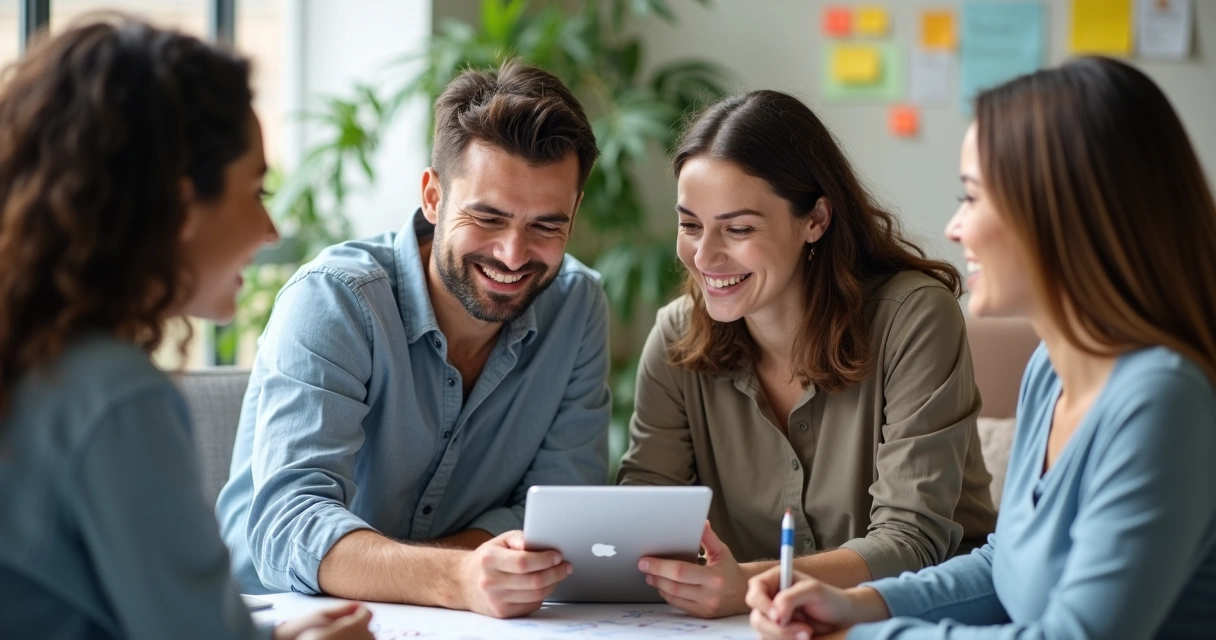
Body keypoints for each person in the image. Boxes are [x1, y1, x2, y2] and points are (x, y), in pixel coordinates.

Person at [745, 57, 1216, 640]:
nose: (954, 228)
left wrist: (853, 638)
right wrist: (859, 605)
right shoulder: (1051, 370)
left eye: (972, 197)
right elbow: (1005, 568)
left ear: (1060, 213)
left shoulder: (1161, 401)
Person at [0, 17, 373, 640]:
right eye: (255, 190)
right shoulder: (114, 395)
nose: (270, 231)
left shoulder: (35, 360)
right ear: (178, 207)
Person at [216, 60, 609, 618]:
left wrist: (459, 576)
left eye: (546, 225)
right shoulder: (335, 299)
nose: (513, 254)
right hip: (283, 617)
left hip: (466, 622)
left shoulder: (578, 306)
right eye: (488, 217)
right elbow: (290, 523)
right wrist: (457, 575)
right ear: (432, 196)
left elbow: (562, 513)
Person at [617, 89, 997, 618]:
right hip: (753, 626)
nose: (704, 256)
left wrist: (749, 581)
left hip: (922, 617)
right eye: (689, 225)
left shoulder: (913, 317)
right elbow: (644, 519)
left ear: (815, 219)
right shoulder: (677, 337)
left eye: (738, 228)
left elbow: (913, 540)